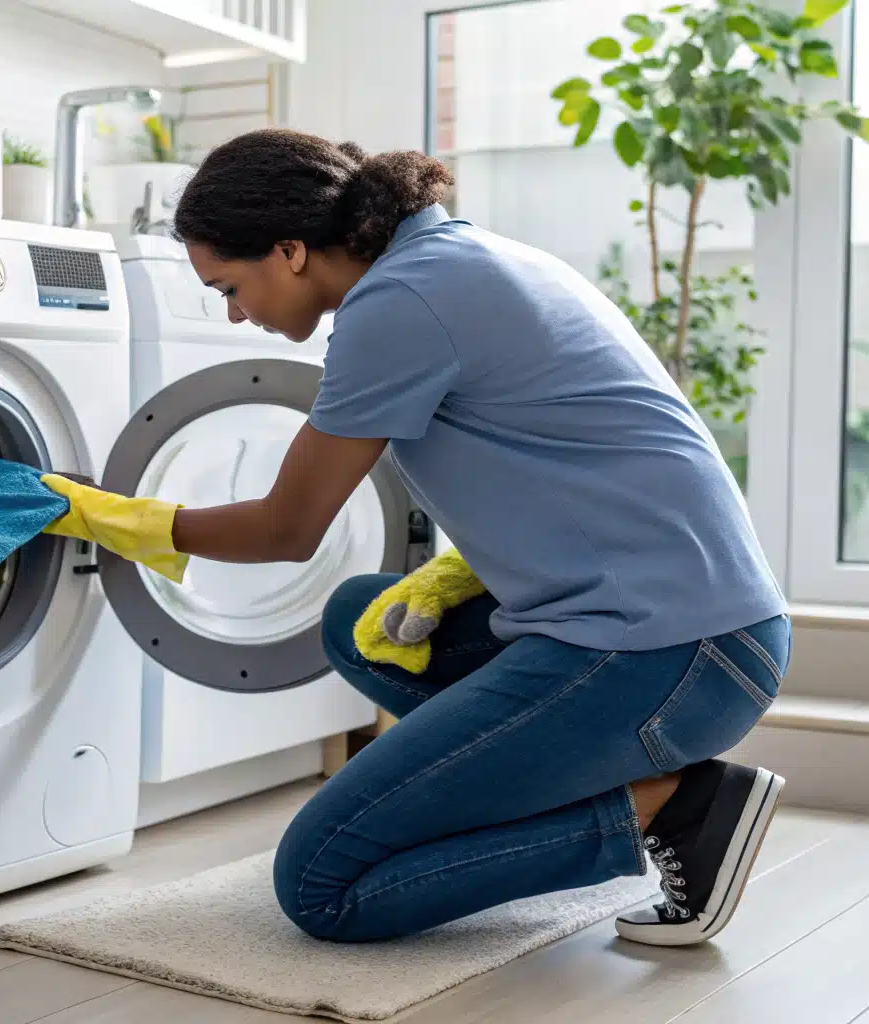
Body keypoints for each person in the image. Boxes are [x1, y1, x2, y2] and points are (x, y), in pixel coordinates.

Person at [48, 127, 790, 946]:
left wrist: (103, 514)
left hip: (667, 654)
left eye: (230, 285)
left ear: (291, 250)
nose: (234, 312)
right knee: (359, 623)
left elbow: (289, 527)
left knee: (321, 882)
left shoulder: (400, 304)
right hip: (688, 627)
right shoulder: (452, 261)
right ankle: (564, 780)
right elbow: (571, 470)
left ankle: (676, 803)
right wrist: (457, 577)